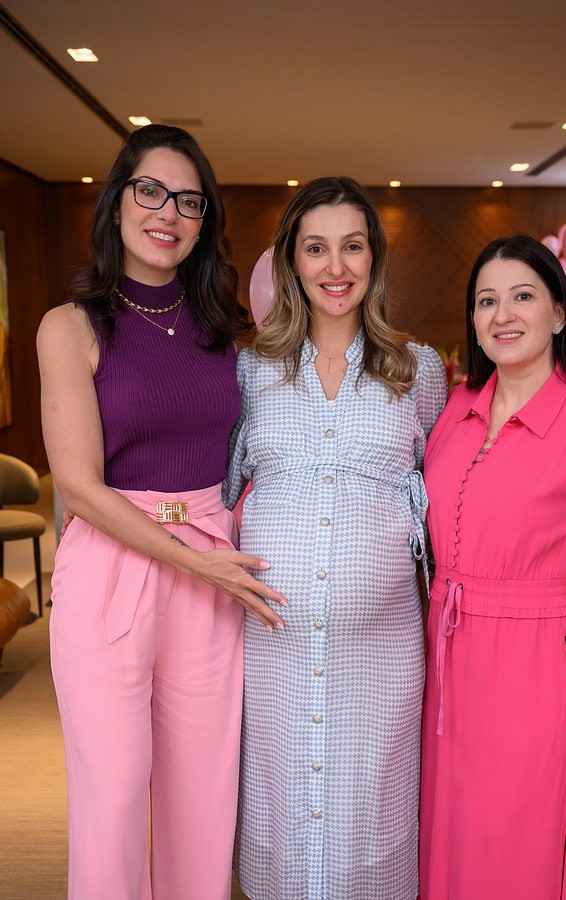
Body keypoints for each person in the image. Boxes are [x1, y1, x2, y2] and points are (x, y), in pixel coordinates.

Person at [37, 124, 287, 900]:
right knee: (113, 796)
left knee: (202, 798)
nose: (167, 213)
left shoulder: (226, 332)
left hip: (210, 564)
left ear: (204, 220)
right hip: (111, 567)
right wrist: (193, 561)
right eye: (150, 191)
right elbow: (79, 487)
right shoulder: (70, 326)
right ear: (117, 203)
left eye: (188, 200)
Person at [224, 176, 448, 899]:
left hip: (381, 659)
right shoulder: (250, 371)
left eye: (352, 246)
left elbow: (442, 499)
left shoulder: (418, 372)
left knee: (371, 820)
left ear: (373, 258)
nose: (335, 267)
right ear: (291, 261)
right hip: (274, 654)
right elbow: (219, 497)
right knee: (280, 817)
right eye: (315, 248)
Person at [419, 235, 566, 899]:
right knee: (451, 827)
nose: (502, 315)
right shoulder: (453, 413)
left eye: (522, 296)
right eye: (486, 301)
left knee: (518, 833)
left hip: (537, 659)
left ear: (559, 313)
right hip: (447, 651)